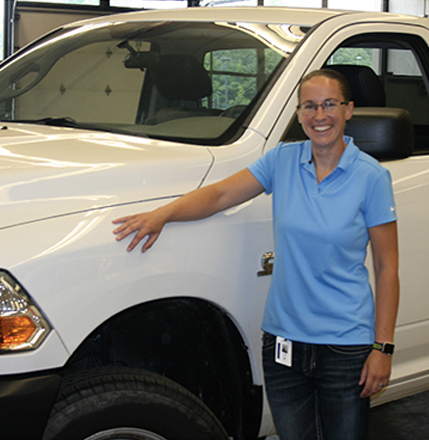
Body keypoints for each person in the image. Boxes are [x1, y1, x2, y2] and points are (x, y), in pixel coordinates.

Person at [113, 69, 399, 439]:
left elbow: (387, 266)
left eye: (330, 104)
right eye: (309, 106)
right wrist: (162, 215)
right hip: (283, 343)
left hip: (344, 348)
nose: (319, 115)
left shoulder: (370, 177)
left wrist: (383, 348)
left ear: (349, 110)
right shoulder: (283, 160)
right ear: (298, 114)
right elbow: (219, 195)